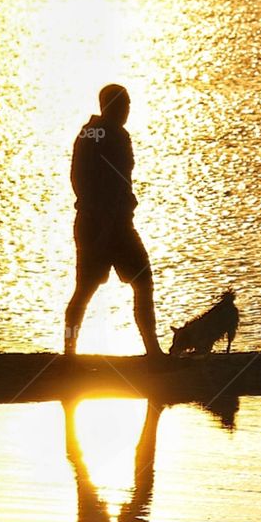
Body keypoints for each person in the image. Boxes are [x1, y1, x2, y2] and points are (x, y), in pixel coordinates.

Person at [64, 84, 162, 356]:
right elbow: (81, 180)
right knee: (84, 290)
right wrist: (103, 221)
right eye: (122, 105)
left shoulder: (118, 135)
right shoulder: (93, 135)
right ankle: (69, 349)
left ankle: (152, 348)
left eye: (128, 105)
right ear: (108, 106)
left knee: (143, 282)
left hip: (119, 223)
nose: (127, 110)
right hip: (97, 224)